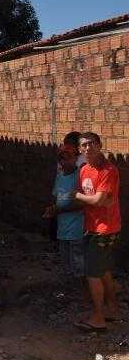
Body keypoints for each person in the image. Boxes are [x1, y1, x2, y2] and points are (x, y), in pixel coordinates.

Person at [73, 132, 122, 332]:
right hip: (91, 226)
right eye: (84, 145)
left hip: (105, 229)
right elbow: (91, 199)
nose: (88, 148)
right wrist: (89, 199)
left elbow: (96, 200)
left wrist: (79, 196)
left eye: (92, 144)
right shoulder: (84, 169)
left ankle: (98, 318)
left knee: (92, 273)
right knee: (104, 271)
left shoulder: (108, 170)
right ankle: (113, 310)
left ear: (100, 145)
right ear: (80, 150)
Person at [43, 146, 85, 280]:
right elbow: (57, 199)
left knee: (79, 265)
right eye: (62, 158)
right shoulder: (60, 177)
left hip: (77, 229)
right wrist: (51, 210)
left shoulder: (80, 177)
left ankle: (81, 290)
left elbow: (80, 203)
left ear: (76, 159)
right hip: (63, 228)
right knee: (66, 265)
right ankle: (70, 290)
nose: (66, 161)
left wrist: (59, 210)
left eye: (69, 158)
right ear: (59, 161)